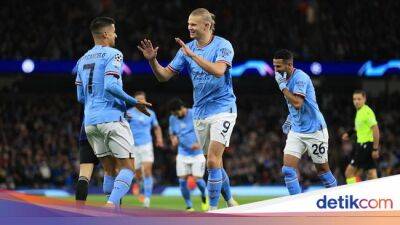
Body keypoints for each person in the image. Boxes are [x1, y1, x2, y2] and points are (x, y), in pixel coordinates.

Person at [138, 8, 238, 210]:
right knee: (215, 163)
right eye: (188, 24)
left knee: (211, 160)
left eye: (193, 24)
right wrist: (152, 61)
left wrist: (193, 56)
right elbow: (163, 76)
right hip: (200, 113)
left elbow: (219, 71)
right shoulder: (186, 49)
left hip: (224, 108)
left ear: (207, 25)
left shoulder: (223, 45)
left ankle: (212, 209)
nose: (189, 27)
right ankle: (230, 200)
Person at [75, 17, 151, 208]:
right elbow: (109, 85)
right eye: (114, 31)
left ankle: (114, 214)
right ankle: (110, 207)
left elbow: (80, 97)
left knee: (109, 171)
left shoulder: (82, 59)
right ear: (106, 34)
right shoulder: (114, 54)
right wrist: (134, 103)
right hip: (111, 120)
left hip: (90, 122)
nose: (116, 35)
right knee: (128, 169)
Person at [273, 49, 337, 195]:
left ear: (289, 65)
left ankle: (338, 204)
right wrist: (290, 118)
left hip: (315, 130)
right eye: (274, 66)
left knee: (323, 171)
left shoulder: (300, 77)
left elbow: (297, 103)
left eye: (278, 67)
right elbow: (294, 107)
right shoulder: (285, 78)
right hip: (297, 130)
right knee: (288, 170)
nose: (275, 70)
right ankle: (297, 208)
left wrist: (282, 87)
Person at [168, 98, 208, 211]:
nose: (175, 115)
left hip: (197, 153)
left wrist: (200, 143)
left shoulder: (195, 113)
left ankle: (204, 196)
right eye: (173, 114)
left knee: (198, 179)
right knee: (182, 180)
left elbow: (206, 129)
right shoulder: (172, 118)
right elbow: (172, 133)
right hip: (182, 153)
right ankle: (189, 206)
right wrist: (173, 139)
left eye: (176, 113)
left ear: (181, 108)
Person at [126, 91, 164, 208]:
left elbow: (156, 127)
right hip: (133, 146)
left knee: (147, 171)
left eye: (142, 99)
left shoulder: (151, 114)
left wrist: (159, 138)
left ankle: (147, 198)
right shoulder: (129, 113)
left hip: (146, 145)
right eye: (138, 99)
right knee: (138, 174)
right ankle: (139, 183)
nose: (140, 101)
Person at [342, 90, 380, 183]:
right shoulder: (360, 111)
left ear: (364, 99)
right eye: (354, 99)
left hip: (365, 146)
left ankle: (355, 194)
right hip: (364, 145)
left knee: (349, 173)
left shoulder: (367, 112)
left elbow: (376, 129)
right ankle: (378, 195)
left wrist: (375, 149)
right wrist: (349, 133)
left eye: (359, 99)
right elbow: (358, 127)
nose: (356, 101)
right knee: (371, 173)